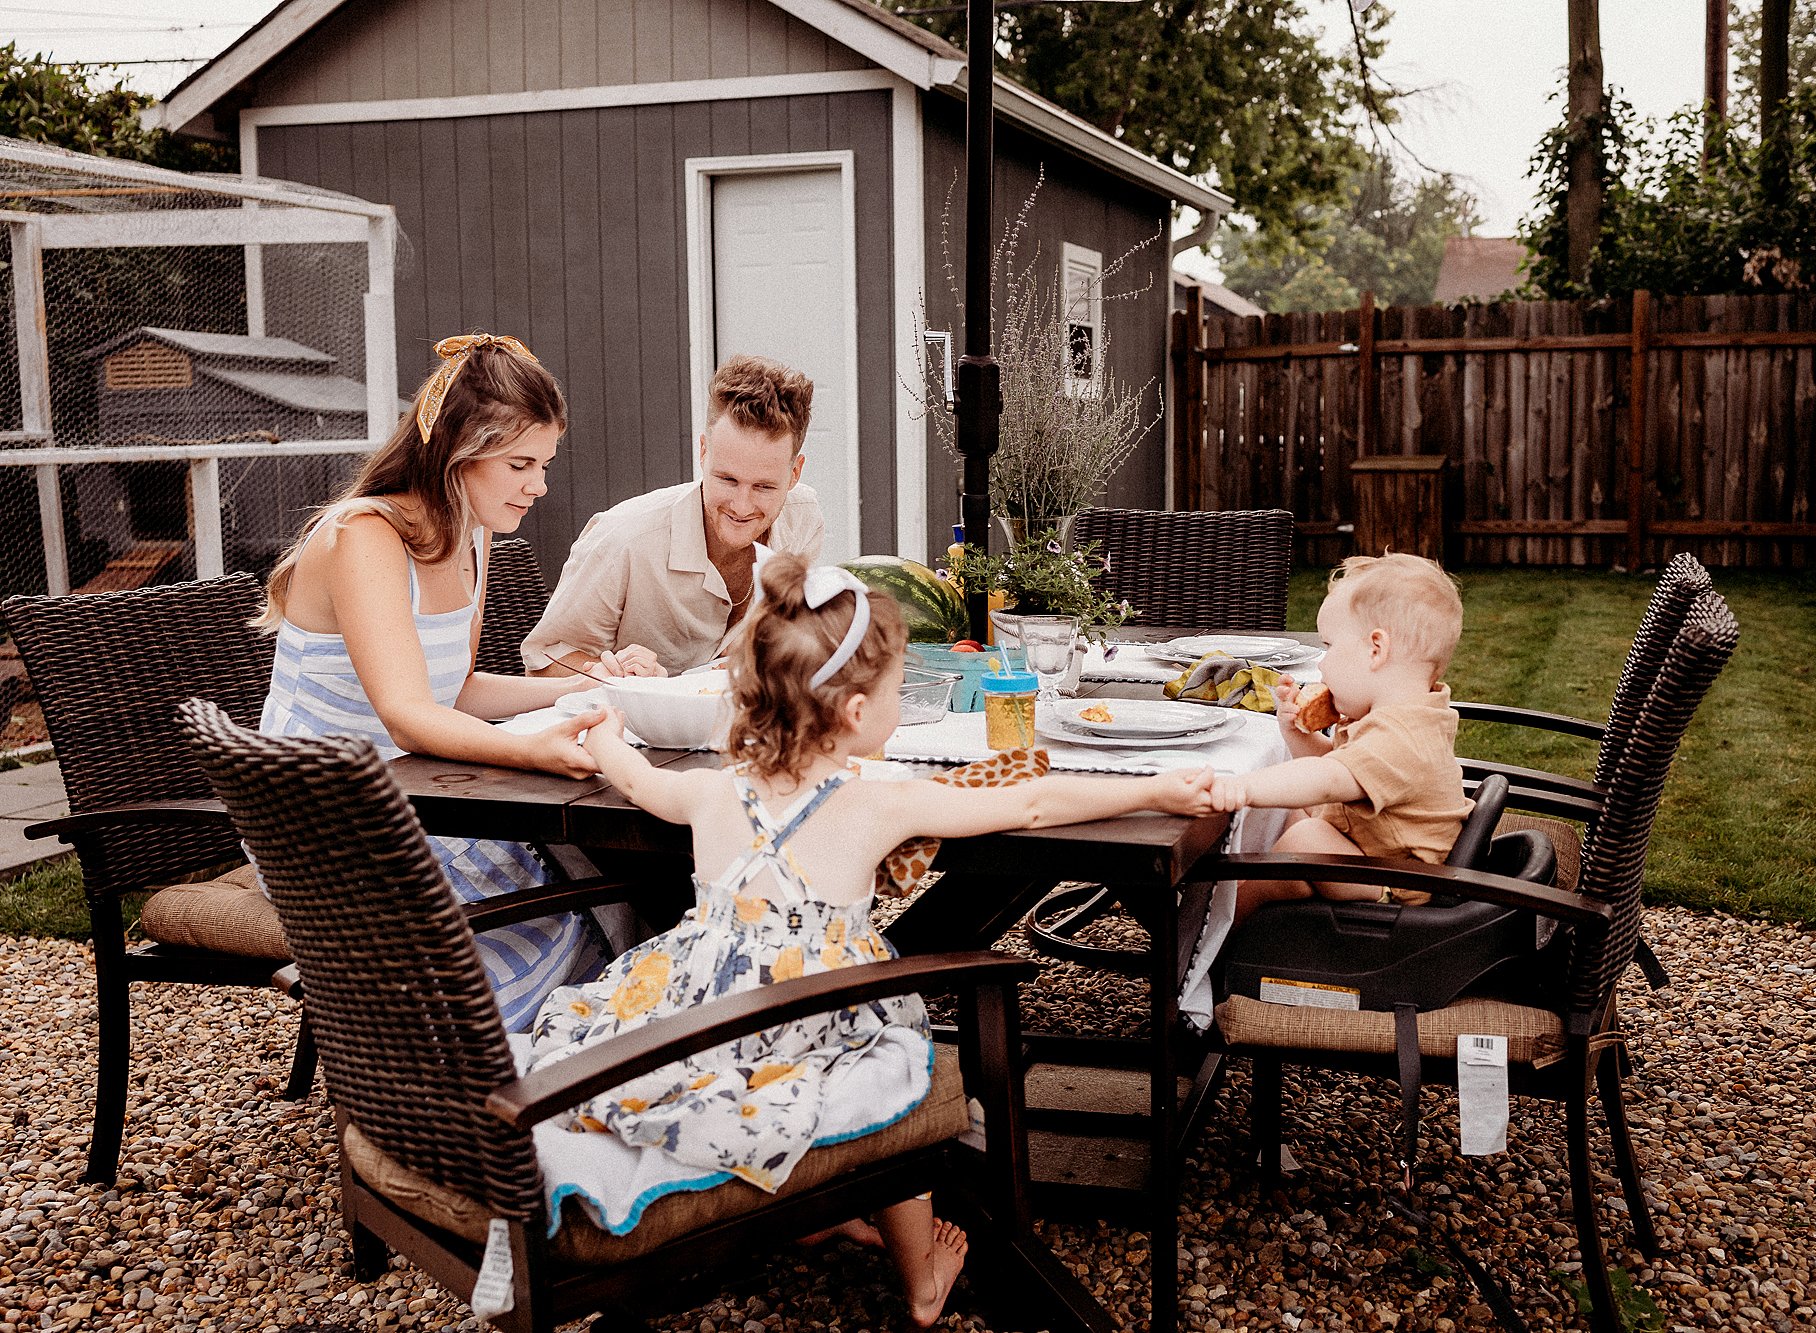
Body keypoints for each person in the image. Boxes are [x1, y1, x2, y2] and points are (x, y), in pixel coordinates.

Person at [523, 550, 1215, 1328]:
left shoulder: (709, 788)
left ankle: (816, 1205)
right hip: (810, 1016)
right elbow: (1031, 804)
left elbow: (636, 778)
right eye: (894, 686)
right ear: (856, 714)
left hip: (699, 1017)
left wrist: (607, 731)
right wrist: (1154, 788)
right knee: (894, 1063)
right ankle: (921, 1279)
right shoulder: (871, 804)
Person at [256, 332, 617, 1031]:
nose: (539, 485)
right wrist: (534, 750)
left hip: (415, 794)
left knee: (591, 877)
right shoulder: (365, 535)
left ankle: (566, 1053)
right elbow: (406, 714)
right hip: (323, 820)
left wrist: (579, 690)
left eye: (543, 463)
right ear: (458, 451)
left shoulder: (472, 532)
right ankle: (474, 1066)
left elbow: (452, 690)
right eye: (520, 463)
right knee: (573, 892)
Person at [522, 354, 826, 678]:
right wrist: (617, 677)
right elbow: (544, 663)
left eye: (764, 486)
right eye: (727, 479)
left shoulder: (803, 522)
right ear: (704, 452)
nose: (741, 505)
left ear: (795, 473)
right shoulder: (624, 538)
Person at [1208, 552, 1475, 920]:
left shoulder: (1401, 738)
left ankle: (1216, 937)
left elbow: (1329, 779)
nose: (1321, 662)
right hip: (1371, 851)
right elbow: (1335, 764)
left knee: (1305, 836)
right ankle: (1266, 900)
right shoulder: (1398, 715)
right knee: (1293, 817)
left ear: (1376, 650)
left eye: (1329, 646)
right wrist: (1294, 730)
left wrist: (1243, 788)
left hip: (1400, 892)